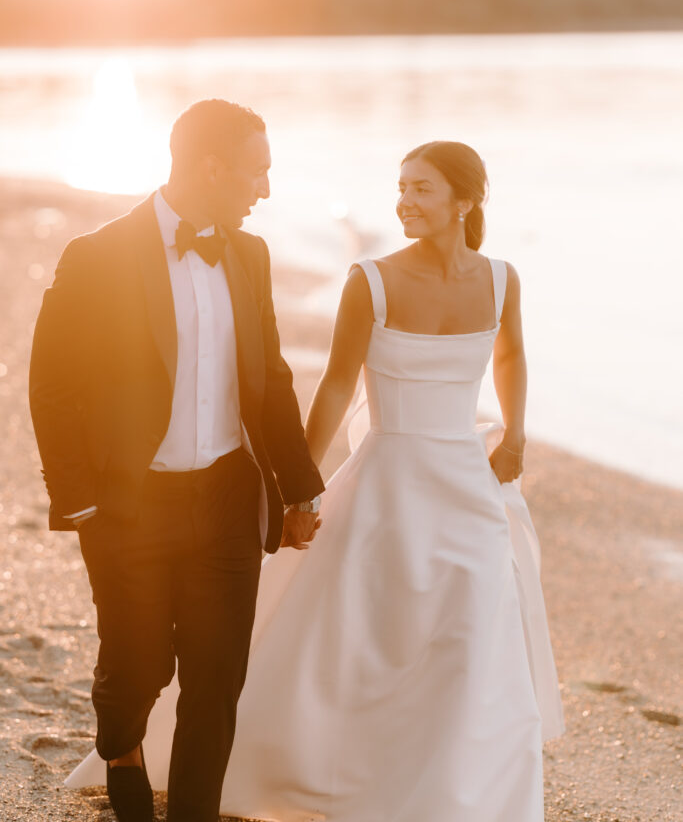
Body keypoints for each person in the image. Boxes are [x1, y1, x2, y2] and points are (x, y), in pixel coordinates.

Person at [68, 140, 564, 820]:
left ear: (465, 201)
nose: (404, 201)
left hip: (468, 486)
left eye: (421, 189)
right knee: (368, 636)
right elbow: (331, 387)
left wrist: (516, 432)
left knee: (466, 637)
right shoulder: (371, 279)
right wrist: (296, 485)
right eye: (401, 186)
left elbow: (510, 355)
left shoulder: (503, 279)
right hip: (389, 482)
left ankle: (446, 791)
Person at [29, 99, 324, 822]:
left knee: (216, 676)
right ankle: (121, 743)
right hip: (129, 503)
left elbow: (271, 378)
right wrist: (82, 502)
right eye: (258, 173)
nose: (265, 190)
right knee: (138, 667)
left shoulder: (249, 256)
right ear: (211, 167)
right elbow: (52, 385)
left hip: (226, 498)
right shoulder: (97, 256)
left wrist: (296, 490)